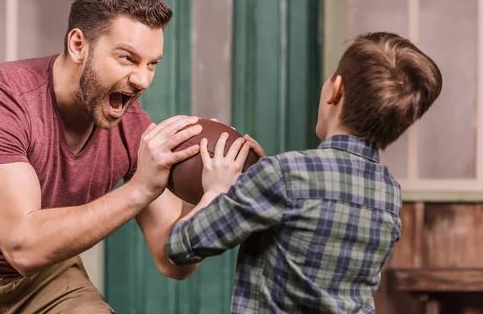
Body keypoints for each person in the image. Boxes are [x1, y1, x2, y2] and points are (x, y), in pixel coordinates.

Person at [0, 0, 249, 313]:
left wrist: (210, 195)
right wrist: (141, 187)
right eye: (127, 58)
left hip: (45, 282)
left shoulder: (131, 127)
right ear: (79, 45)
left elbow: (172, 261)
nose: (142, 80)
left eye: (152, 63)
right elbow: (23, 247)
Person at [166, 32, 443, 313]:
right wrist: (261, 179)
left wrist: (216, 190)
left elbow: (181, 246)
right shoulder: (388, 194)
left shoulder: (284, 177)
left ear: (336, 90)